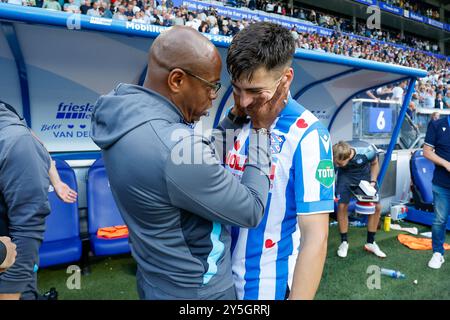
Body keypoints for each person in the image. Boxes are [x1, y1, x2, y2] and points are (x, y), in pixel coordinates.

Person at [90, 26, 288, 300]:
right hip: (199, 291)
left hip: (154, 280)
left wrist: (233, 118)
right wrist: (260, 130)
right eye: (211, 86)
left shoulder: (125, 118)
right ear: (177, 80)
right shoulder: (175, 147)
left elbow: (188, 163)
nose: (214, 96)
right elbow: (251, 209)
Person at [225, 22, 333, 300]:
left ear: (285, 79)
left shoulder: (308, 134)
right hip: (220, 282)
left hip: (264, 288)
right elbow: (209, 165)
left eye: (256, 92)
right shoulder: (238, 116)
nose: (245, 100)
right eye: (237, 88)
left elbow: (316, 238)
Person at [0, 101, 77, 300]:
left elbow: (27, 229)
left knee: (23, 289)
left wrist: (57, 182)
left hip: (10, 259)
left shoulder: (15, 139)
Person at [333, 140, 386, 259]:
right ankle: (344, 242)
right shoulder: (336, 154)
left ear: (348, 157)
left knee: (377, 207)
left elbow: (374, 163)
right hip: (346, 177)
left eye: (340, 164)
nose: (337, 165)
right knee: (341, 206)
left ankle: (370, 242)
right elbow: (332, 171)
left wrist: (372, 182)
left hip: (365, 176)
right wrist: (332, 190)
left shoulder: (367, 152)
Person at [423, 114, 450, 269]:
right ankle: (438, 253)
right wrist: (446, 164)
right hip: (442, 184)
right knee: (439, 221)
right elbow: (426, 151)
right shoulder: (437, 124)